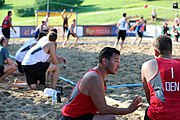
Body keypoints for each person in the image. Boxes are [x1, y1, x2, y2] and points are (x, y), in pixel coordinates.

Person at [60, 47, 142, 120]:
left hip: (79, 115)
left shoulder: (97, 75)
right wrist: (128, 110)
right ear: (105, 61)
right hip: (71, 117)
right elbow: (103, 109)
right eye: (116, 61)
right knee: (110, 118)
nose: (118, 66)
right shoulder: (94, 77)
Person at [141, 35, 180, 120]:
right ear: (171, 50)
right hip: (177, 114)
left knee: (150, 109)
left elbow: (149, 99)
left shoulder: (147, 65)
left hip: (157, 115)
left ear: (155, 52)